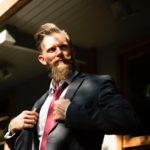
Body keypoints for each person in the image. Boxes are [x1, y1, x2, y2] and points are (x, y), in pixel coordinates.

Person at [4, 23, 139, 150]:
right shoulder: (39, 103)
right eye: (52, 50)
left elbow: (128, 120)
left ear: (72, 52)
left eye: (63, 47)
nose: (59, 53)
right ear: (43, 59)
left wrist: (72, 113)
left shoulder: (98, 84)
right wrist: (11, 129)